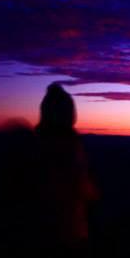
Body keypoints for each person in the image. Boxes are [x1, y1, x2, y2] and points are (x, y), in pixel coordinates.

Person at [33, 83, 98, 249]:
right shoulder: (69, 144)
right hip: (69, 226)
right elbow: (80, 183)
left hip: (42, 225)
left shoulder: (36, 141)